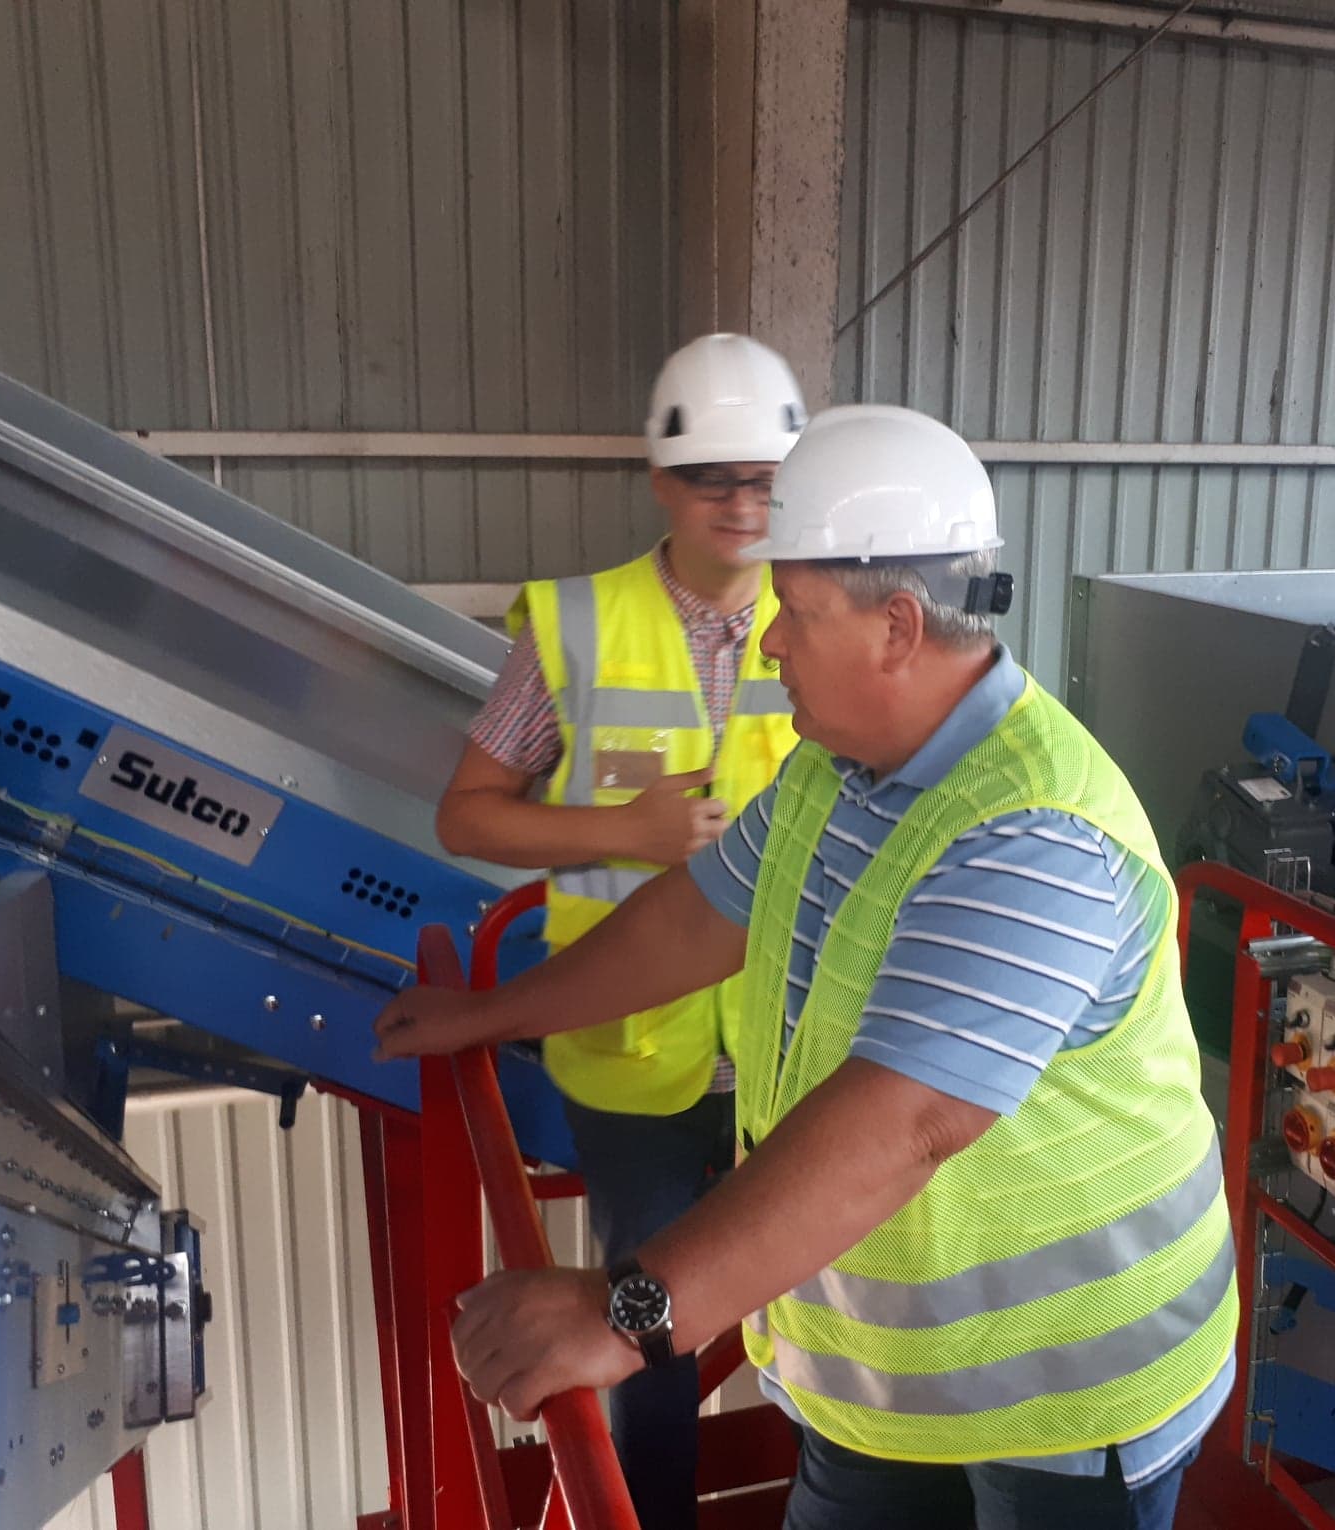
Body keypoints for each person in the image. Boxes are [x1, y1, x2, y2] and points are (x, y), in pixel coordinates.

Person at [384, 404, 1239, 1530]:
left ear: (896, 627)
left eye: (793, 609)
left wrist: (626, 1315)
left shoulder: (1035, 834)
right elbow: (691, 922)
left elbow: (904, 1123)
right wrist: (495, 1013)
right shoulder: (833, 772)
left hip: (1066, 1399)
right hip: (880, 1382)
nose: (770, 643)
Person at [434, 334, 807, 1529]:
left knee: (824, 1307)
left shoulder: (824, 621)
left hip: (794, 1049)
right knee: (647, 1336)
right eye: (712, 478)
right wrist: (624, 830)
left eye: (764, 479)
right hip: (632, 1060)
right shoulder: (575, 628)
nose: (741, 504)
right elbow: (467, 814)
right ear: (661, 481)